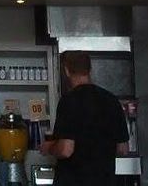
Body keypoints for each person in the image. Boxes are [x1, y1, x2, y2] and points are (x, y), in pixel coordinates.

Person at [40, 52, 130, 186]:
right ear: (89, 70)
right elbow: (123, 149)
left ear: (66, 70)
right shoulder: (111, 100)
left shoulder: (69, 101)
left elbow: (66, 150)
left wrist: (49, 148)